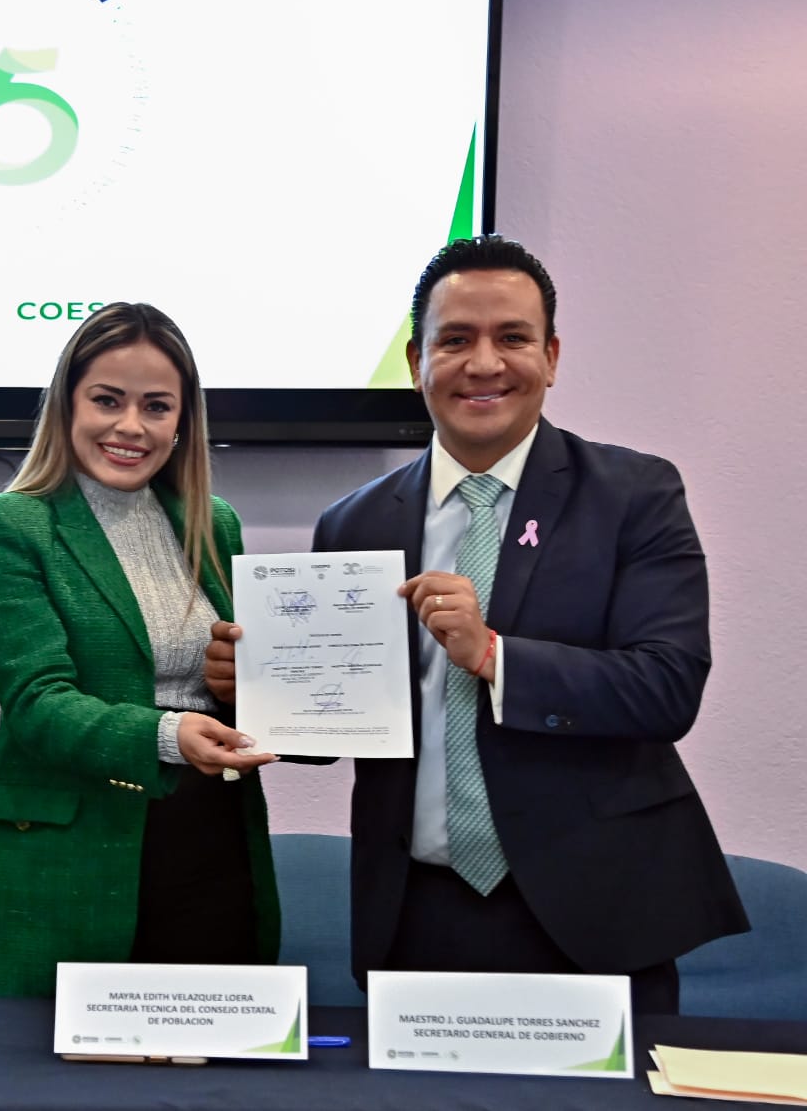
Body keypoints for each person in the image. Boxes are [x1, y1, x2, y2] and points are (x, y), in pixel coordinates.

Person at [207, 235, 748, 1012]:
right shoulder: (353, 521)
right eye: (455, 340)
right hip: (416, 912)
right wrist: (253, 691)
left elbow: (667, 689)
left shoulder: (635, 492)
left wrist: (494, 653)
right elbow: (342, 727)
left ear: (552, 355)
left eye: (513, 338)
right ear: (415, 361)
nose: (484, 363)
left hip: (597, 909)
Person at [0, 302, 282, 998]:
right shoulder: (7, 526)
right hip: (73, 857)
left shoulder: (214, 524)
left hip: (212, 842)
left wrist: (241, 684)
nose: (131, 426)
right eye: (107, 399)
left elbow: (248, 686)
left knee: (211, 1078)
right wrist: (170, 732)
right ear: (67, 403)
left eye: (156, 406)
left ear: (182, 421)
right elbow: (37, 704)